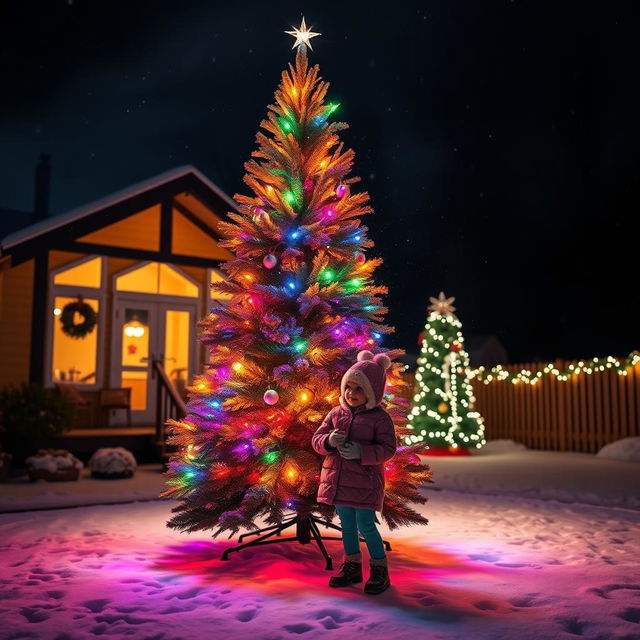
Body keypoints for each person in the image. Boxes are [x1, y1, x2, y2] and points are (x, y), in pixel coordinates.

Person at [311, 350, 396, 595]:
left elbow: (388, 449)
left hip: (365, 484)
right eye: (349, 387)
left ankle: (380, 569)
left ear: (372, 392)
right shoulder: (336, 413)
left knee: (366, 526)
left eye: (359, 389)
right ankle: (352, 565)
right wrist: (328, 441)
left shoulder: (380, 418)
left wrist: (361, 452)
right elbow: (316, 440)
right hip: (338, 481)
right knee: (347, 526)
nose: (352, 394)